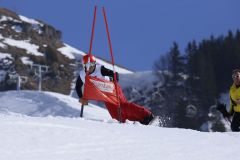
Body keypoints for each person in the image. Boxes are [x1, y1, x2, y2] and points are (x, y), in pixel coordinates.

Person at [75, 54, 155, 125]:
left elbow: (115, 74)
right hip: (104, 95)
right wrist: (81, 97)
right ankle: (138, 121)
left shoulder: (100, 69)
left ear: (95, 64)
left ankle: (147, 115)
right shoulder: (83, 75)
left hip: (112, 89)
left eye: (92, 64)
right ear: (84, 65)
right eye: (87, 65)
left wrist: (114, 79)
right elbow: (78, 86)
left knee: (122, 106)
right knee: (115, 115)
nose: (90, 67)